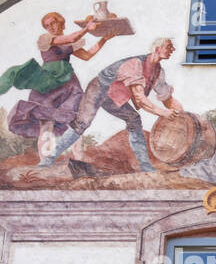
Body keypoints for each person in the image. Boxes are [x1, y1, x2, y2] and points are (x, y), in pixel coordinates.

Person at [39, 37, 183, 172]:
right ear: (157, 49)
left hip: (113, 96)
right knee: (82, 123)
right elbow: (140, 99)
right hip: (98, 88)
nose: (173, 50)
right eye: (169, 47)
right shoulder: (135, 64)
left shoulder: (159, 72)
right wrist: (163, 113)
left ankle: (146, 166)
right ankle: (48, 159)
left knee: (134, 119)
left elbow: (168, 99)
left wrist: (183, 115)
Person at [2, 12, 111, 159]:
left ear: (61, 23)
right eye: (47, 25)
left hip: (69, 84)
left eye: (53, 23)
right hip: (48, 82)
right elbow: (71, 37)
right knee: (46, 123)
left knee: (75, 122)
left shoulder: (70, 42)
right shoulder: (46, 38)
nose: (50, 28)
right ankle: (46, 162)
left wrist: (105, 39)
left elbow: (87, 55)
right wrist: (87, 29)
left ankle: (78, 160)